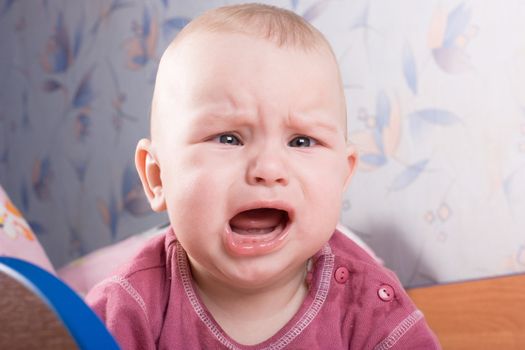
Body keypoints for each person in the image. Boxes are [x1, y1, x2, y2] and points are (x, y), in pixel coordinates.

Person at [86, 3, 441, 349]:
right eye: (228, 138)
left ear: (341, 176)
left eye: (302, 141)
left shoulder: (371, 308)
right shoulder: (125, 310)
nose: (268, 169)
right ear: (158, 177)